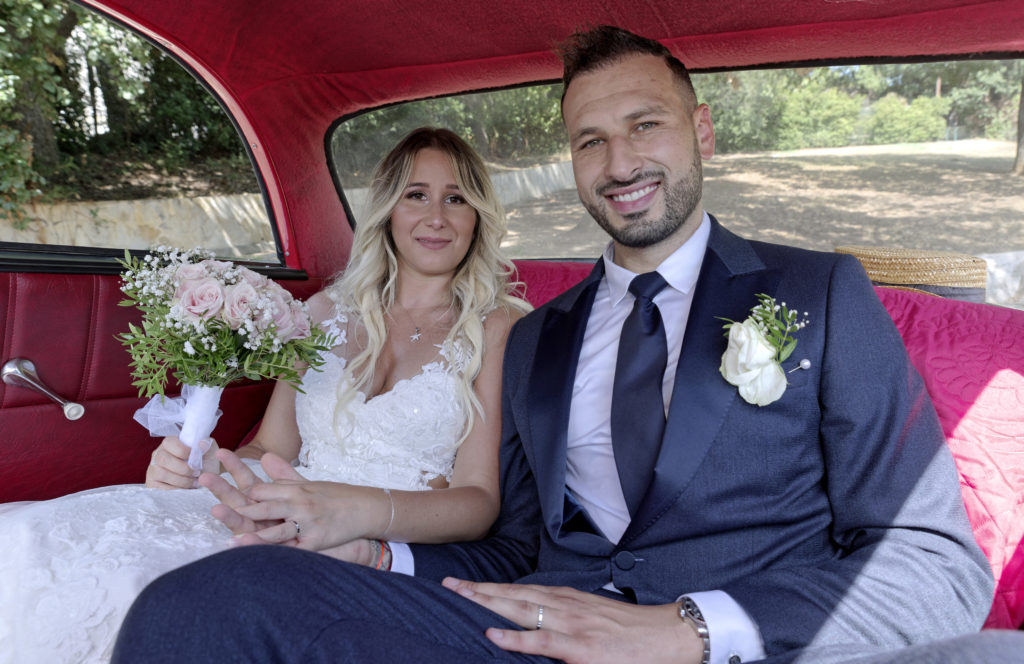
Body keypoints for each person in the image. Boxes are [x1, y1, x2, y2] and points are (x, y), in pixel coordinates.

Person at [112, 26, 1010, 664]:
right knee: (202, 603)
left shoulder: (817, 293)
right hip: (528, 633)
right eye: (590, 140)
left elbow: (934, 566)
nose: (619, 162)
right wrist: (379, 552)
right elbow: (508, 546)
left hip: (734, 642)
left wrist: (688, 630)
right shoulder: (540, 337)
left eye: (644, 126)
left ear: (700, 132)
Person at [0, 126, 529, 663]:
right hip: (270, 512)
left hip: (359, 543)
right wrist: (202, 465)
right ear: (388, 210)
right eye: (416, 195)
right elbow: (267, 451)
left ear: (478, 216)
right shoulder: (324, 312)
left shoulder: (499, 328)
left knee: (152, 594)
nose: (436, 216)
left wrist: (356, 514)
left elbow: (478, 503)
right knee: (36, 543)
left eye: (456, 198)